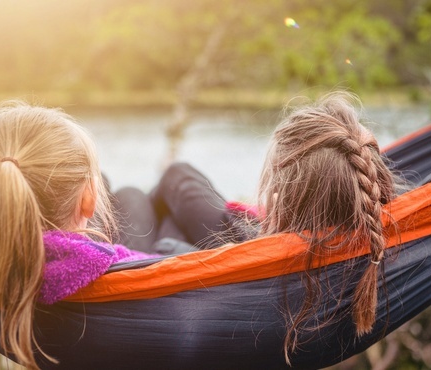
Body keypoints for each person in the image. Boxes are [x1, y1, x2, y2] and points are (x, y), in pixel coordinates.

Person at [120, 91, 400, 359]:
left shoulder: (263, 278)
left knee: (134, 193)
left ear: (279, 200)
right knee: (169, 187)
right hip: (262, 250)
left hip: (237, 260)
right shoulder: (388, 238)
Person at [0, 101, 160, 369]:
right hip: (143, 267)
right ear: (89, 199)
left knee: (124, 190)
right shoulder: (112, 264)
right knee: (152, 188)